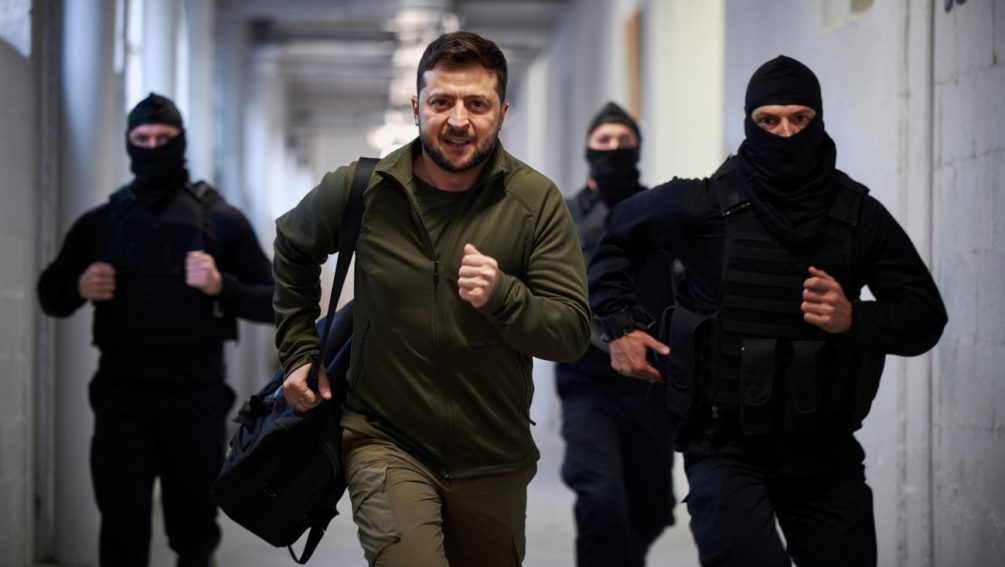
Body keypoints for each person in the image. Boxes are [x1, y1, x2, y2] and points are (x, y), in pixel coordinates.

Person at [587, 56, 947, 567]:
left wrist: (855, 318)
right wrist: (620, 326)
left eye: (800, 118)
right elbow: (615, 237)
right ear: (748, 123)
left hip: (824, 453)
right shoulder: (700, 203)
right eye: (769, 120)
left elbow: (925, 317)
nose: (786, 133)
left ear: (818, 119)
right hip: (723, 446)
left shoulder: (858, 216)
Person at [272, 31, 590, 567]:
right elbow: (292, 246)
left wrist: (504, 296)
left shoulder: (535, 202)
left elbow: (571, 333)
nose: (458, 120)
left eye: (477, 104)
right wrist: (300, 350)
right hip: (383, 440)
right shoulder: (365, 189)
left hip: (493, 455)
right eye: (442, 102)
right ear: (417, 107)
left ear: (502, 113)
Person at [37, 93, 275, 567]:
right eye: (142, 139)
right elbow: (50, 294)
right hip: (122, 396)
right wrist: (80, 286)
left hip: (196, 394)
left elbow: (278, 302)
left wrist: (221, 285)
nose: (152, 148)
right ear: (129, 142)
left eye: (163, 139)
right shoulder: (102, 223)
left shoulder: (221, 221)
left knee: (195, 530)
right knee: (122, 525)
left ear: (180, 141)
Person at [556, 102, 676, 567]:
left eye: (624, 141)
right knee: (600, 498)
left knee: (651, 506)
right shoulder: (563, 216)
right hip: (586, 379)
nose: (613, 149)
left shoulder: (660, 211)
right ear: (588, 148)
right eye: (604, 141)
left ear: (638, 148)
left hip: (652, 381)